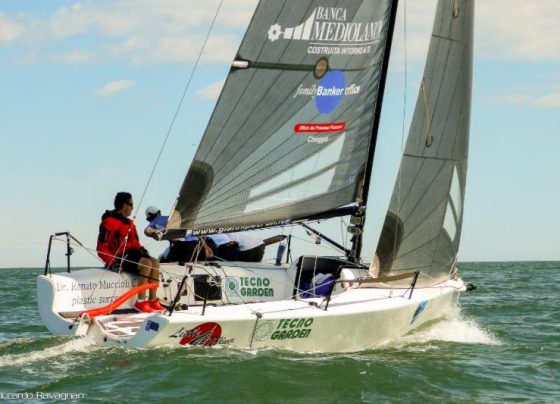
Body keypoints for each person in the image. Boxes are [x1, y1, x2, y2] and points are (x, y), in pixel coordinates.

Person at [97, 192, 165, 313]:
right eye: (131, 204)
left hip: (132, 254)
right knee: (146, 263)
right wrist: (113, 262)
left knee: (155, 262)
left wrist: (142, 249)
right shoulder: (108, 223)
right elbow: (101, 248)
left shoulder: (130, 223)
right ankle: (140, 302)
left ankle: (152, 300)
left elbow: (135, 243)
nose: (133, 208)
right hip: (119, 256)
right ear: (124, 205)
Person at [143, 206, 213, 262]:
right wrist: (206, 247)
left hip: (182, 247)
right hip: (197, 246)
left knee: (164, 263)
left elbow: (147, 231)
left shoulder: (155, 221)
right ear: (159, 212)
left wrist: (155, 232)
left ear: (150, 215)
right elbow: (195, 232)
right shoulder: (175, 219)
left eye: (148, 219)